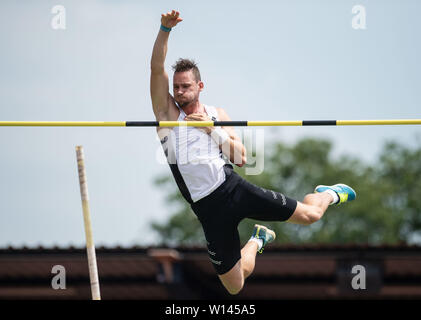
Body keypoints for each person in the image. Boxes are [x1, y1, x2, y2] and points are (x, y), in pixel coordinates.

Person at [149, 10, 356, 295]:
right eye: (176, 88)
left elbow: (241, 157)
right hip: (207, 210)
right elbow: (156, 67)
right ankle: (257, 241)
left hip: (232, 189)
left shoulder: (216, 114)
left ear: (200, 86)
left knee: (310, 216)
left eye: (186, 87)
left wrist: (212, 129)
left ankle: (327, 193)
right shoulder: (168, 114)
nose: (180, 92)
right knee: (234, 286)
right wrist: (164, 29)